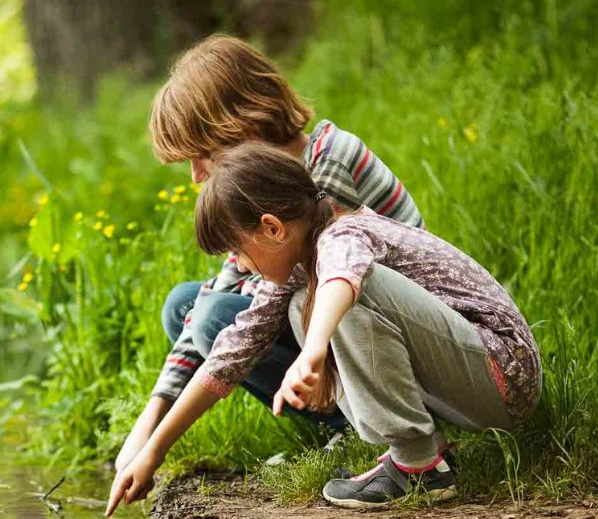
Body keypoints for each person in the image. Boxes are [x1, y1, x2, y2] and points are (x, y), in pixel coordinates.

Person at [106, 142, 542, 515]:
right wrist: (154, 450)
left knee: (342, 297)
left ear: (272, 229)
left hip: (502, 374)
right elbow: (229, 355)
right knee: (301, 305)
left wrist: (312, 352)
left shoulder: (344, 234)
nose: (237, 265)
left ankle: (418, 466)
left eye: (237, 251)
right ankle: (426, 454)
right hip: (466, 380)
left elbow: (342, 282)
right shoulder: (296, 267)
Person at [115, 33, 427, 474]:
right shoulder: (260, 187)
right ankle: (339, 425)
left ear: (246, 132)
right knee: (185, 306)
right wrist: (148, 423)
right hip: (329, 315)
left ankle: (363, 422)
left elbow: (269, 306)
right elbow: (223, 287)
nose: (195, 175)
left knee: (216, 318)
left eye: (203, 155)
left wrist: (158, 445)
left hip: (390, 331)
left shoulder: (325, 166)